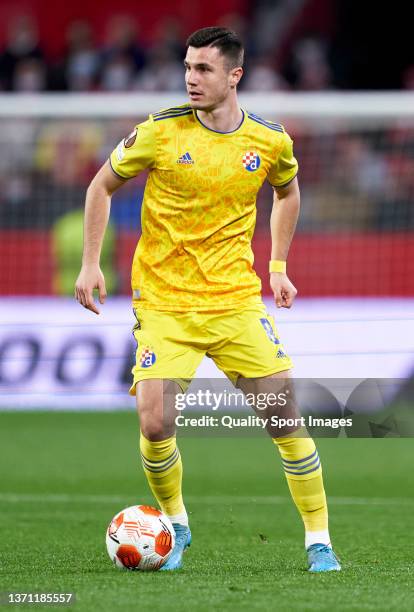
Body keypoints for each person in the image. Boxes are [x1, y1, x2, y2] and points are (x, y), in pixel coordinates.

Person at [75, 26, 341, 573]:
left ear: (234, 76)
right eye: (188, 68)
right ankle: (175, 524)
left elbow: (287, 191)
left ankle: (319, 540)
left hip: (235, 301)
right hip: (165, 303)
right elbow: (99, 185)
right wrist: (89, 262)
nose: (191, 79)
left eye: (204, 70)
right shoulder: (158, 132)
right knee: (154, 421)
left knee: (282, 415)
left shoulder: (270, 140)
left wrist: (278, 267)